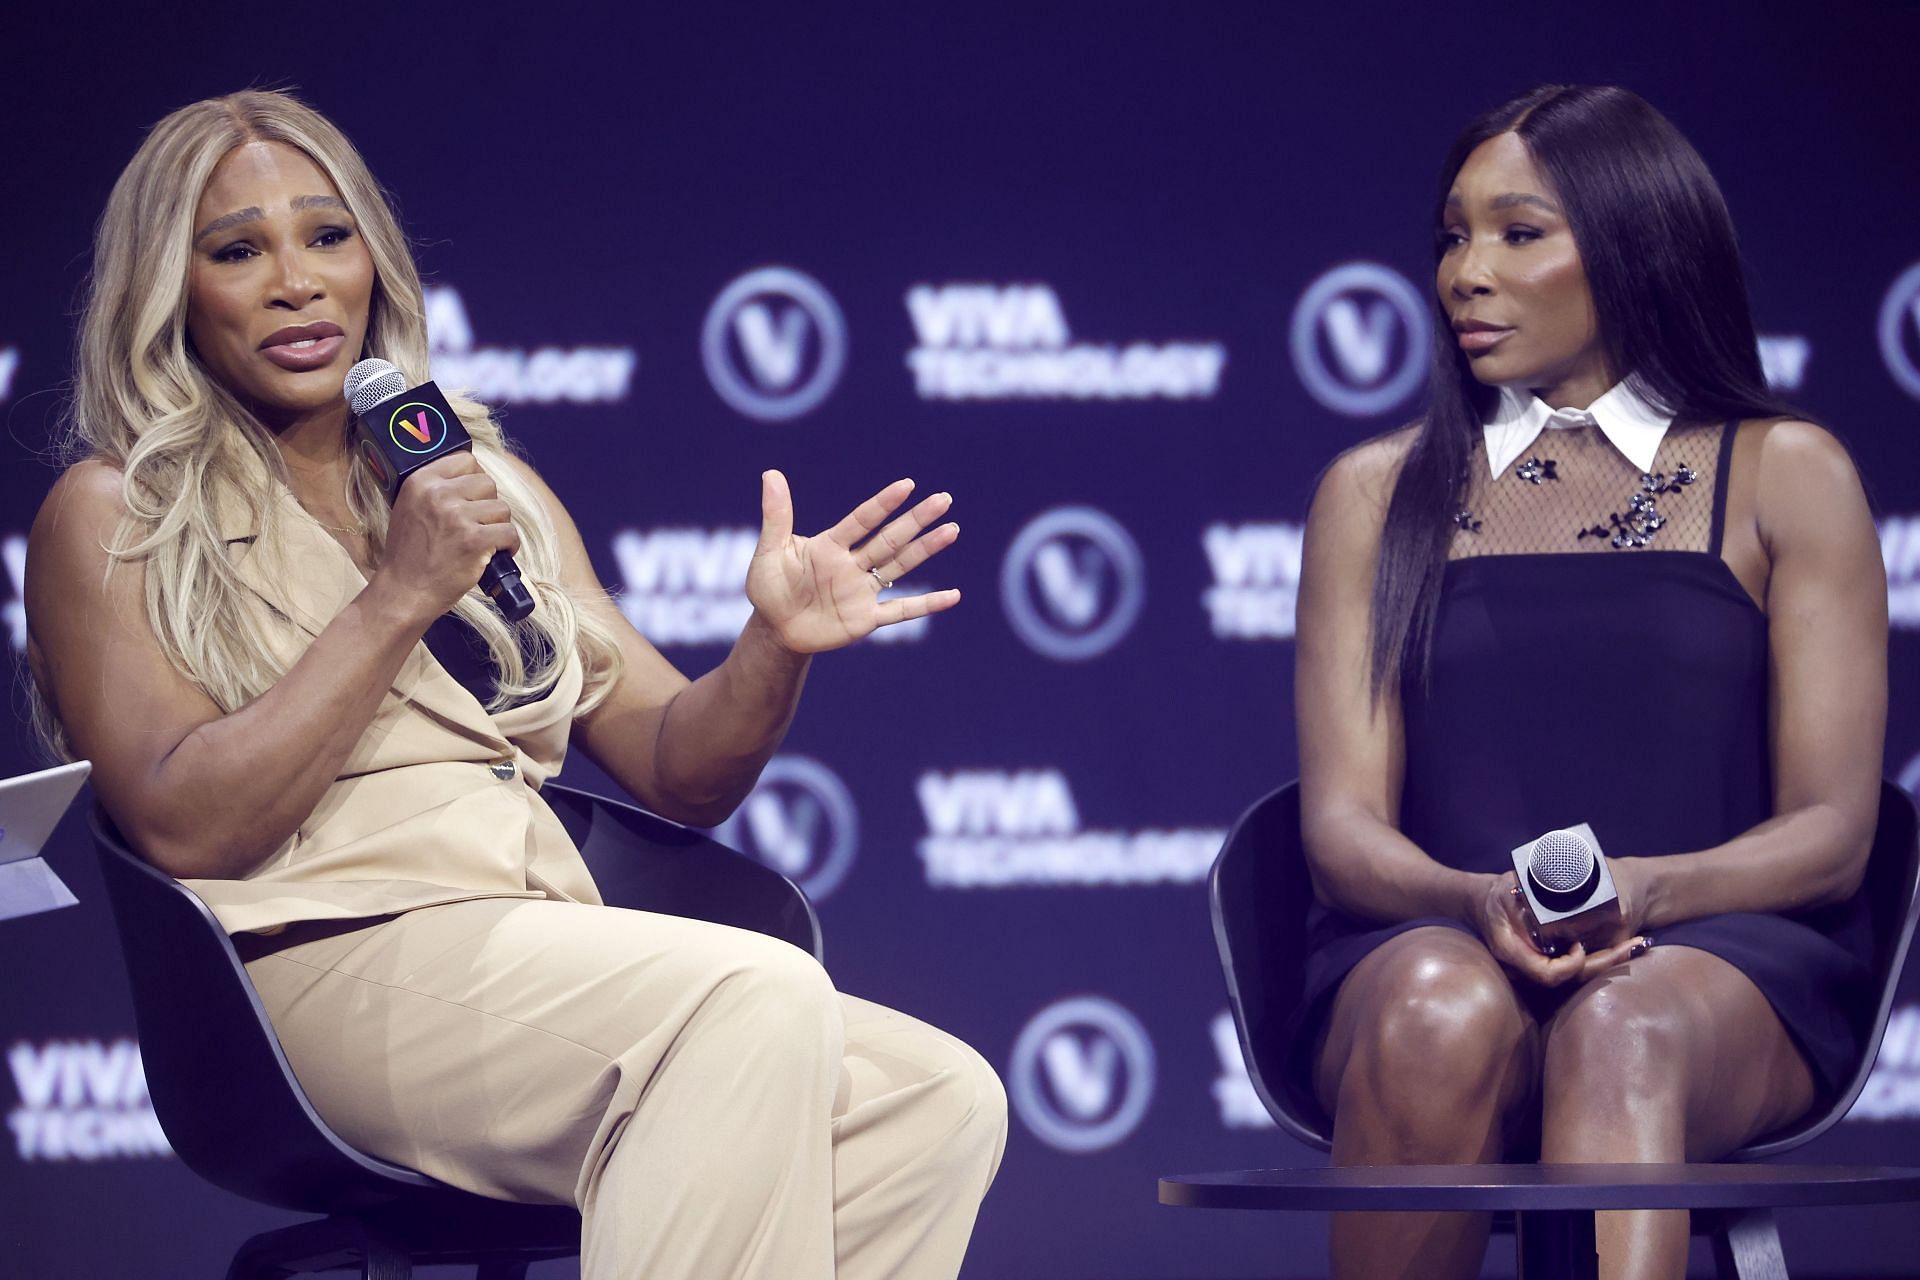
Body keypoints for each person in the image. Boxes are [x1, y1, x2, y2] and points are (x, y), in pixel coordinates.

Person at [24, 89, 1005, 1280]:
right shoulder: (118, 512)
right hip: (313, 970)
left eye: (327, 236)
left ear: (375, 264)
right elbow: (183, 822)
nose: (297, 281)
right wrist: (396, 596)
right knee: (748, 997)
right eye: (238, 251)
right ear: (172, 292)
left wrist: (773, 647)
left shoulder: (477, 482)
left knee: (937, 1094)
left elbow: (679, 768)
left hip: (536, 953)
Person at [1290, 84, 1885, 1280]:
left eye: (1518, 232)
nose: (1466, 270)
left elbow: (1833, 833)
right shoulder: (1372, 493)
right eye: (1453, 235)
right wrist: (1474, 905)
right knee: (1431, 1010)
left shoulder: (1786, 474)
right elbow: (1342, 832)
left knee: (1622, 1021)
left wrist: (1646, 894)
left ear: (1632, 244)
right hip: (1434, 938)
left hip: (1724, 959)